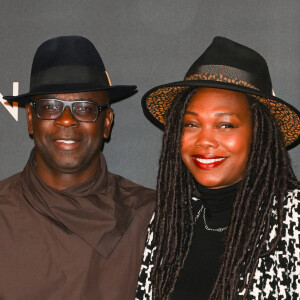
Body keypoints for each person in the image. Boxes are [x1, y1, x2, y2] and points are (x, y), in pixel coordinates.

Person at [136, 37, 300, 299]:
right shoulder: (169, 223)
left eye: (226, 125)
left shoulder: (291, 219)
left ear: (259, 133)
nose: (205, 141)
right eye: (191, 124)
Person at [0, 36, 155, 300]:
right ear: (30, 120)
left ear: (106, 122)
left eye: (84, 108)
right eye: (50, 107)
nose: (67, 120)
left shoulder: (151, 217)